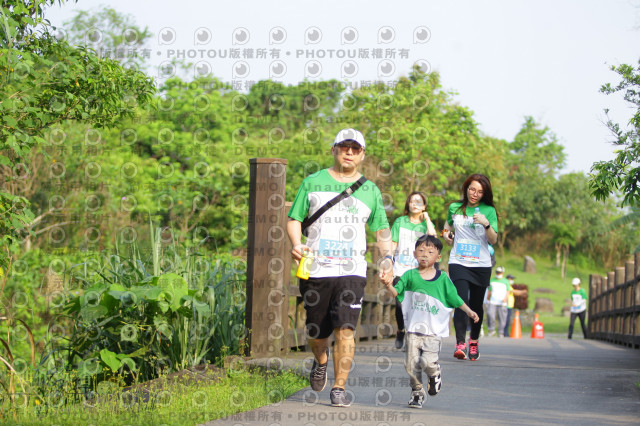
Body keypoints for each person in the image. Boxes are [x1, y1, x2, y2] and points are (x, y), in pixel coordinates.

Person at [287, 128, 393, 407]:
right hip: (317, 269)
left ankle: (339, 387)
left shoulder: (370, 190)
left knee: (345, 329)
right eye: (344, 147)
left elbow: (382, 229)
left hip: (352, 271)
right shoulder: (313, 181)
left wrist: (387, 260)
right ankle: (320, 359)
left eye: (355, 148)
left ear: (362, 155)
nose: (349, 152)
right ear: (333, 150)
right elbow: (294, 219)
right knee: (317, 332)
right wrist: (296, 243)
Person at [382, 234, 479, 409]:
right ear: (414, 254)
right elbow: (396, 293)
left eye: (430, 251)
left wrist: (469, 311)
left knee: (426, 362)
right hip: (412, 330)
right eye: (421, 250)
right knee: (411, 364)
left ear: (438, 257)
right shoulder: (409, 275)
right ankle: (417, 392)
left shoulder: (442, 279)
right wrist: (388, 284)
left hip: (433, 332)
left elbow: (455, 298)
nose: (425, 254)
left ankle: (434, 374)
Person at [442, 174, 498, 361]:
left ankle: (474, 340)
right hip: (458, 261)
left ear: (484, 194)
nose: (475, 194)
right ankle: (460, 343)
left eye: (480, 192)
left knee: (476, 304)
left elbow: (494, 239)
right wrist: (446, 235)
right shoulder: (455, 208)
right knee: (460, 299)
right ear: (466, 188)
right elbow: (446, 228)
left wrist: (486, 223)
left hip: (481, 263)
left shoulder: (488, 210)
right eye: (472, 189)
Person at [390, 191, 436, 349]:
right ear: (408, 204)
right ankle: (401, 329)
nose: (415, 204)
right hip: (400, 269)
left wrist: (427, 218)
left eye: (419, 202)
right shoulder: (400, 221)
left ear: (424, 206)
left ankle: (413, 335)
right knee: (399, 303)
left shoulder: (425, 225)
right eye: (412, 201)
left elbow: (434, 238)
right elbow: (393, 243)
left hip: (418, 271)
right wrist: (389, 261)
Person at [486, 266, 510, 337]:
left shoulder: (505, 281)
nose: (498, 274)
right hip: (493, 301)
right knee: (490, 314)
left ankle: (500, 331)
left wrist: (506, 298)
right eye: (497, 272)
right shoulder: (492, 280)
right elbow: (489, 290)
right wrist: (488, 298)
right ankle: (491, 330)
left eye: (499, 272)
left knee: (502, 318)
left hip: (502, 302)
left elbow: (508, 291)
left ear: (502, 273)